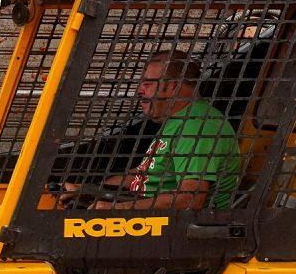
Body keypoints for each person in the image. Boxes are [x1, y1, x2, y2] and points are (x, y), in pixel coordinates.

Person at [63, 49, 242, 210]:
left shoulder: (197, 126)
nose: (139, 90)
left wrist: (118, 209)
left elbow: (189, 199)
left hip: (179, 232)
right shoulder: (177, 121)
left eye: (148, 84)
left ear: (174, 86)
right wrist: (90, 190)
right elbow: (144, 176)